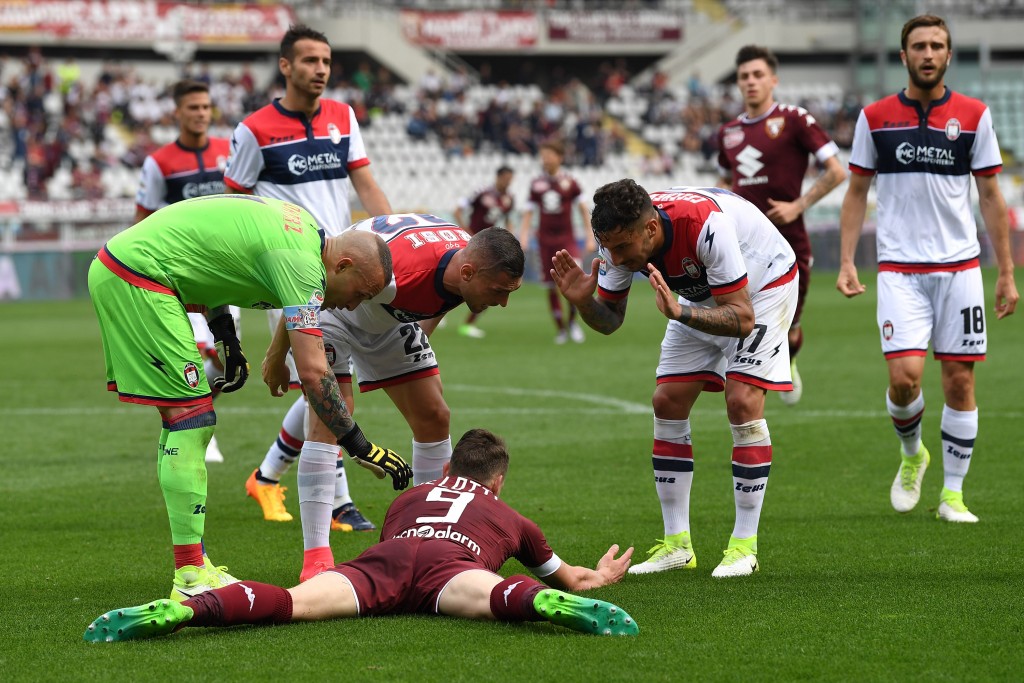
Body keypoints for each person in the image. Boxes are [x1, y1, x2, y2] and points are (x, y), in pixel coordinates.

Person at [87, 195, 411, 602]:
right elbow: (313, 373)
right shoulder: (303, 264)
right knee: (189, 419)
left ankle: (196, 565)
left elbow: (212, 257)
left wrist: (224, 331)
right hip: (138, 279)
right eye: (359, 293)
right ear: (342, 266)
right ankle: (190, 576)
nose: (351, 305)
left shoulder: (303, 233)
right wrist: (361, 447)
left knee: (190, 420)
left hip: (141, 273)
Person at [84, 429, 638, 642]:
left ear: (446, 470)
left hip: (384, 562)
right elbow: (573, 574)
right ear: (497, 480)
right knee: (500, 595)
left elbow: (409, 544)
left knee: (290, 604)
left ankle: (189, 611)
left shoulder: (408, 498)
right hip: (453, 569)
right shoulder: (514, 519)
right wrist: (600, 576)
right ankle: (546, 606)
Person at [255, 215, 524, 581]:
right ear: (468, 273)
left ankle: (429, 542)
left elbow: (439, 300)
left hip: (388, 320)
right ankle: (316, 559)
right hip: (334, 307)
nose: (504, 303)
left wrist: (415, 353)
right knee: (332, 417)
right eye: (500, 291)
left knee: (434, 415)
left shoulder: (468, 262)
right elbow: (309, 285)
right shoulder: (402, 270)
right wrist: (275, 354)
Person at [552, 180, 798, 578]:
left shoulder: (704, 226)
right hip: (695, 298)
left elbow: (742, 318)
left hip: (763, 288)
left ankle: (743, 546)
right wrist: (583, 301)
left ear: (649, 230)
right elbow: (610, 320)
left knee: (741, 402)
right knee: (666, 401)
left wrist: (681, 313)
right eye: (608, 248)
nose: (614, 257)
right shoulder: (617, 238)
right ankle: (677, 545)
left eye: (622, 249)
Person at [836, 14, 1018, 523]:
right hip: (899, 269)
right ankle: (913, 453)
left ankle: (953, 495)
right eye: (919, 45)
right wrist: (848, 259)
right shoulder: (874, 117)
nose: (929, 53)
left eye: (938, 45)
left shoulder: (974, 115)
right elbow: (855, 191)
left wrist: (1005, 271)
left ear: (948, 55)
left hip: (960, 269)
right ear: (904, 56)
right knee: (905, 380)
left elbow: (989, 194)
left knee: (959, 382)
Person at [224, 24, 393, 533]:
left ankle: (268, 474)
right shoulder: (254, 130)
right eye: (309, 61)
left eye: (326, 61)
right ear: (285, 66)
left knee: (323, 385)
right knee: (327, 385)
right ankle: (338, 503)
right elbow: (234, 204)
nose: (320, 69)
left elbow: (365, 182)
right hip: (289, 270)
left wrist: (390, 239)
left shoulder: (343, 117)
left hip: (344, 270)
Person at [716, 45, 847, 406]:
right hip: (742, 244)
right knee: (741, 317)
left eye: (758, 75)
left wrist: (798, 205)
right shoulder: (728, 132)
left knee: (788, 328)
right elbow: (725, 182)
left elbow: (837, 171)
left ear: (773, 79)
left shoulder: (794, 119)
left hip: (789, 242)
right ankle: (746, 391)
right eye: (744, 76)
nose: (751, 82)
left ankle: (788, 357)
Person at [134, 79, 233, 463]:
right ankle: (196, 427)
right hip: (182, 275)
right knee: (191, 354)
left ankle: (198, 416)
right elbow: (142, 218)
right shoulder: (160, 162)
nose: (201, 114)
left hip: (226, 273)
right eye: (193, 107)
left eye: (206, 107)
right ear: (177, 113)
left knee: (225, 360)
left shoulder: (228, 152)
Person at [518, 140, 595, 344]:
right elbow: (528, 212)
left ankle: (572, 323)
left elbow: (582, 208)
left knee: (573, 279)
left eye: (549, 155)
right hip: (544, 240)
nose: (545, 159)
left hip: (567, 238)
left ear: (559, 157)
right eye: (543, 155)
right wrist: (524, 235)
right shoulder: (536, 184)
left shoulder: (570, 182)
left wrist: (589, 235)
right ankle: (560, 329)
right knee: (551, 285)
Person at [453, 165, 516, 338]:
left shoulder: (509, 197)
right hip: (470, 242)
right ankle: (438, 312)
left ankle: (468, 324)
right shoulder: (482, 192)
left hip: (489, 246)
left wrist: (510, 237)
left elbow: (509, 219)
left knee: (488, 284)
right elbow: (458, 210)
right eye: (506, 178)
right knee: (459, 278)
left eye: (511, 179)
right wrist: (465, 231)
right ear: (499, 177)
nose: (509, 182)